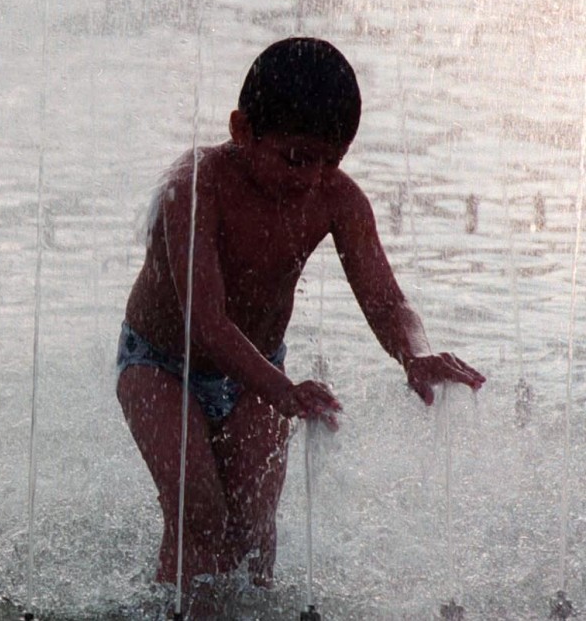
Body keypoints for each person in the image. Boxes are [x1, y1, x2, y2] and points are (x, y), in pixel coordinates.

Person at [115, 37, 485, 591]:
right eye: (296, 158)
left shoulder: (335, 198)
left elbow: (387, 301)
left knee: (252, 533)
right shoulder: (194, 188)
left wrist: (415, 351)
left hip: (258, 368)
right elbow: (207, 321)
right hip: (162, 364)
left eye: (329, 160)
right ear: (242, 130)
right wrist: (283, 391)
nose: (312, 176)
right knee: (199, 518)